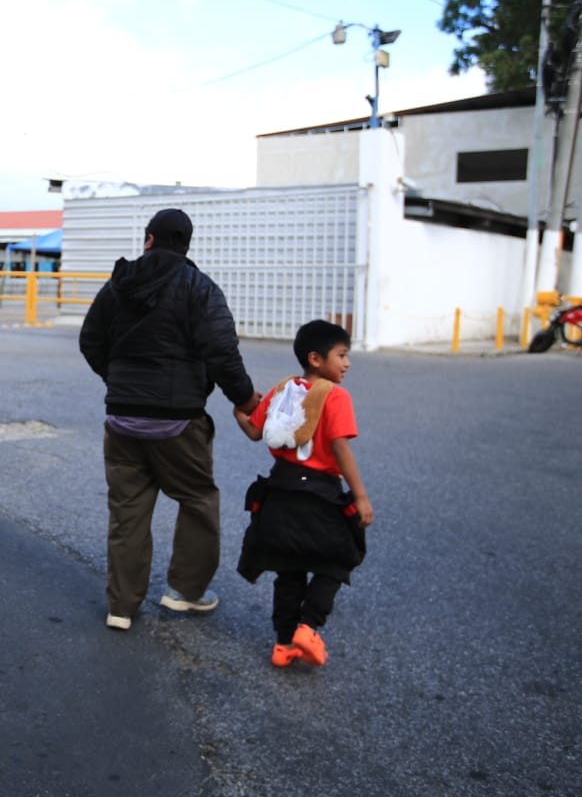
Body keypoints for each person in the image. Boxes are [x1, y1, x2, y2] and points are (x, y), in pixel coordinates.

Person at [80, 208, 260, 631]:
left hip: (122, 418)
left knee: (128, 512)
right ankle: (185, 592)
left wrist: (119, 381)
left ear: (149, 239)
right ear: (186, 244)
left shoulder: (117, 285)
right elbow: (221, 351)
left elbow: (90, 340)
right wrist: (245, 399)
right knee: (198, 500)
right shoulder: (199, 287)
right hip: (178, 421)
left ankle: (121, 606)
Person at [233, 319, 374, 668]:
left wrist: (239, 413)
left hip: (279, 492)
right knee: (337, 560)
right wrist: (360, 496)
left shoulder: (281, 391)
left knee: (289, 569)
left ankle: (283, 645)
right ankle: (308, 627)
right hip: (320, 496)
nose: (347, 363)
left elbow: (255, 432)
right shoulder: (336, 396)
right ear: (316, 359)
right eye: (341, 355)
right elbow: (340, 447)